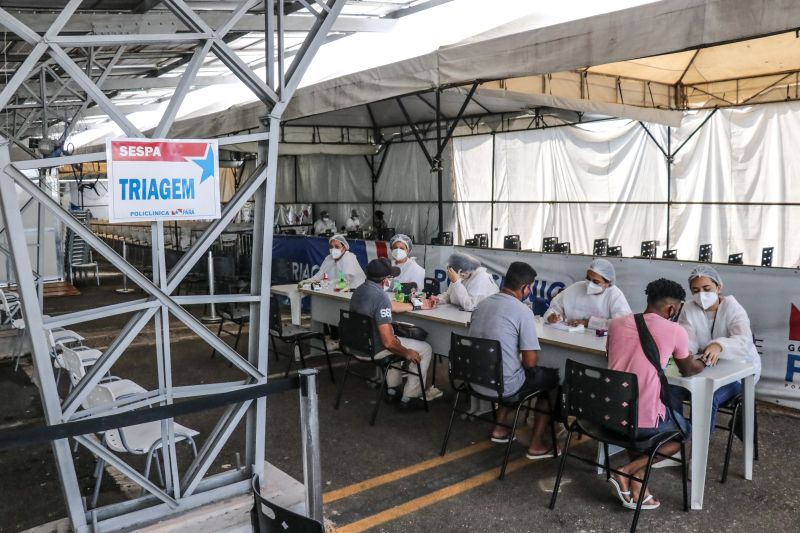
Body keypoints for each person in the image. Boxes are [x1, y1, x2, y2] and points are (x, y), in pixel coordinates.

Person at [606, 278, 705, 510]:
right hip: (641, 420)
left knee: (637, 421)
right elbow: (688, 369)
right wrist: (703, 362)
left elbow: (611, 355)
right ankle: (628, 471)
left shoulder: (616, 324)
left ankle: (639, 486)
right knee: (683, 435)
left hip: (609, 415)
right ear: (672, 309)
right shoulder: (675, 331)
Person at [469, 262, 560, 459]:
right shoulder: (522, 311)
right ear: (526, 288)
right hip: (502, 385)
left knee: (510, 369)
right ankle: (536, 445)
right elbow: (530, 362)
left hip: (475, 380)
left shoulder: (482, 304)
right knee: (551, 380)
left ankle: (499, 429)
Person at [677, 265, 761, 429]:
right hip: (706, 368)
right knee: (670, 390)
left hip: (739, 371)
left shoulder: (733, 308)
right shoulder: (688, 308)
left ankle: (699, 450)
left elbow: (744, 340)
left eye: (706, 288)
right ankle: (675, 440)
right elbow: (687, 336)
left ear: (719, 287)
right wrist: (685, 351)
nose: (701, 294)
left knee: (706, 398)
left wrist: (719, 345)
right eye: (695, 290)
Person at [350, 258, 434, 410]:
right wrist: (407, 352)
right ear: (385, 280)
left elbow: (391, 306)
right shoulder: (380, 297)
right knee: (424, 348)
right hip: (374, 350)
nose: (392, 280)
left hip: (356, 345)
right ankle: (410, 397)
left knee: (396, 339)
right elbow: (388, 342)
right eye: (390, 277)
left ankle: (392, 390)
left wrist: (418, 305)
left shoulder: (360, 290)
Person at [544, 258, 631, 329]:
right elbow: (554, 308)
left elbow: (623, 324)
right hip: (571, 337)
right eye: (588, 278)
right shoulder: (575, 288)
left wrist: (588, 323)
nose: (590, 284)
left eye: (596, 281)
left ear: (608, 284)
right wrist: (551, 317)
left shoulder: (615, 295)